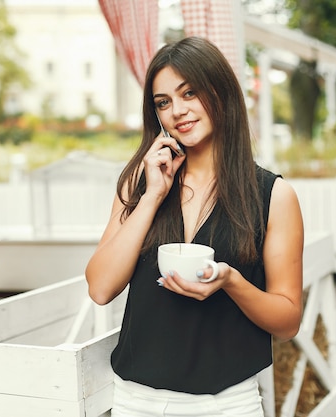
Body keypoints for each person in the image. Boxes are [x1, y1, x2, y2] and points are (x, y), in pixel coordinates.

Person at [85, 36, 304, 417]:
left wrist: (233, 282)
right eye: (163, 103)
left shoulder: (273, 195)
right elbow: (101, 288)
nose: (178, 111)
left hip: (228, 405)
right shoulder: (140, 182)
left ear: (221, 92)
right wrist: (152, 196)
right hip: (136, 402)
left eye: (190, 93)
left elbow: (287, 322)